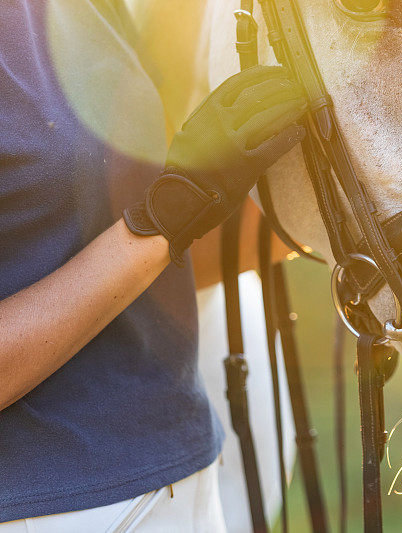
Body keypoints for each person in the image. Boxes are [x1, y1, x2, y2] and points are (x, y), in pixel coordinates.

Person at [0, 0, 305, 530]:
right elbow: (151, 236)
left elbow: (115, 253)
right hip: (52, 509)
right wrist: (166, 219)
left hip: (184, 478)